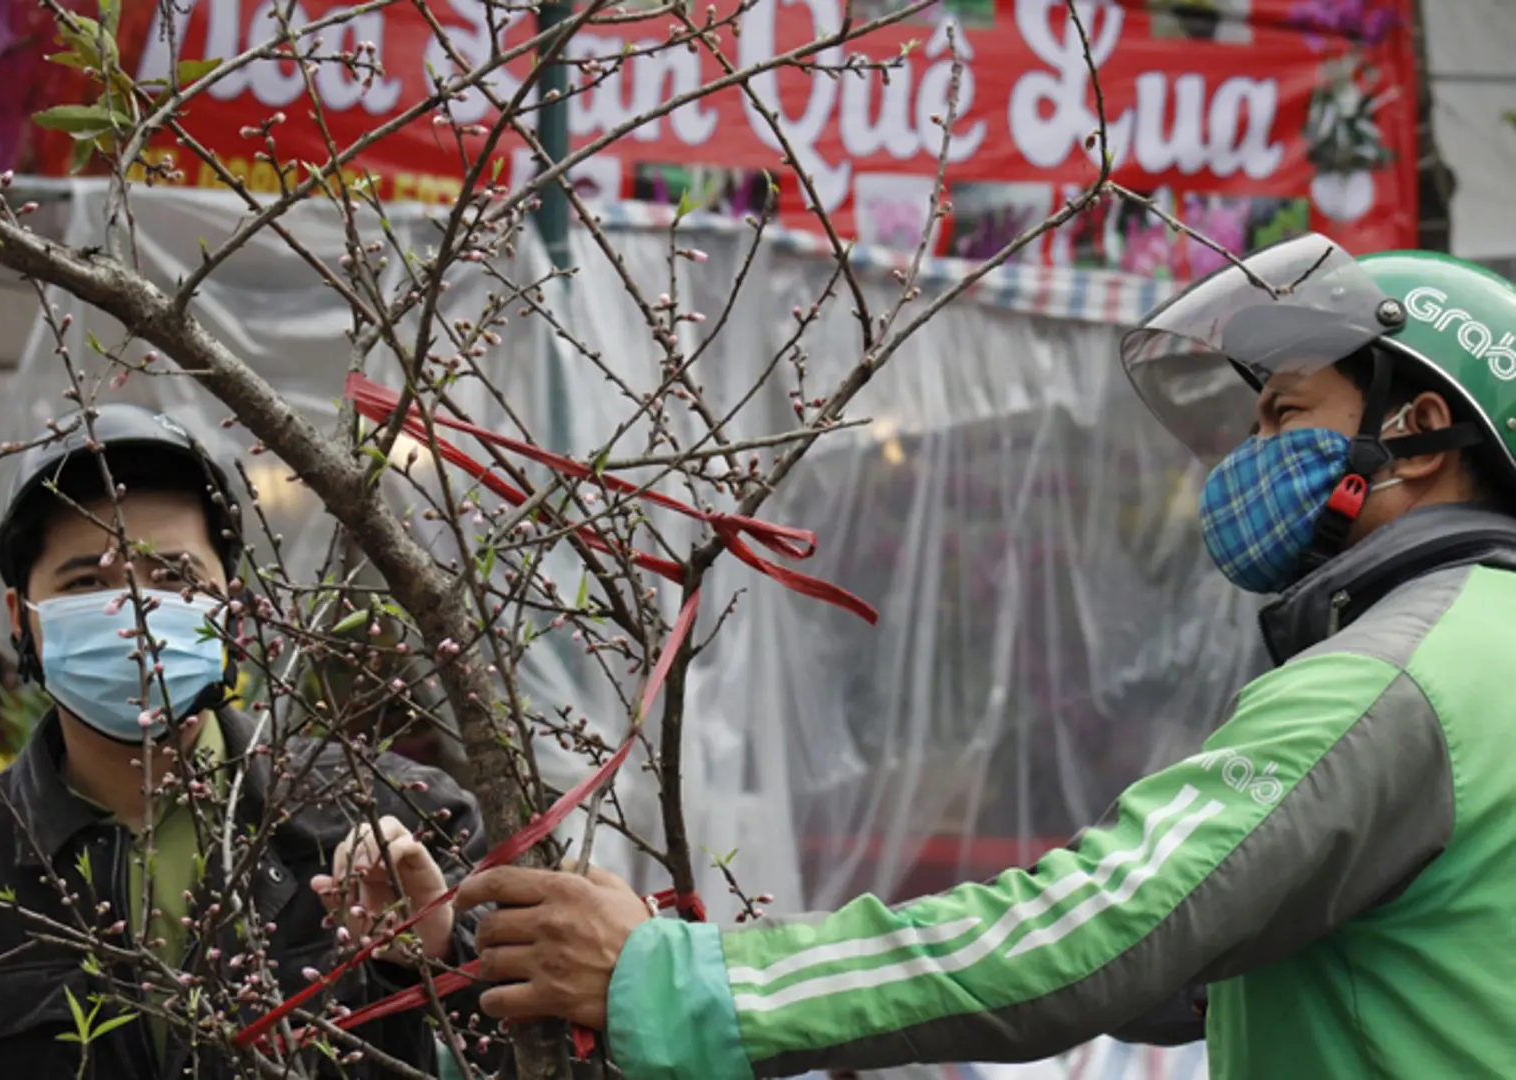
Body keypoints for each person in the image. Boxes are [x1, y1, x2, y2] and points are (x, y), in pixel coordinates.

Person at [449, 237, 1516, 1079]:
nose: (1245, 461)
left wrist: (675, 979)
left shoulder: (1396, 678)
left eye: (1281, 414)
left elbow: (1101, 926)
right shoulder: (1485, 656)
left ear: (1416, 434)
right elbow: (1204, 957)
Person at [0, 404, 482, 1078]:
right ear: (21, 620)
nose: (134, 615)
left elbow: (535, 1048)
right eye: (87, 582)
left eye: (173, 576)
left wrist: (438, 950)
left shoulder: (391, 817)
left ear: (229, 608)